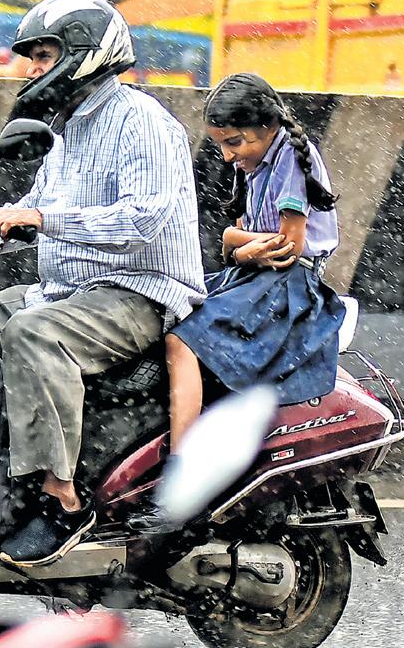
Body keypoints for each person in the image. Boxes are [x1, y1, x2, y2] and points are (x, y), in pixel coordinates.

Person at [0, 0, 205, 567]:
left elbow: (144, 220)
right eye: (31, 56)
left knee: (34, 334)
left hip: (137, 290)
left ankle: (61, 500)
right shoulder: (66, 130)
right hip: (64, 291)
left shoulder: (142, 123)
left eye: (44, 53)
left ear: (85, 50)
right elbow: (40, 203)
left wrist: (40, 218)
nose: (34, 68)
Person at [128, 72, 345, 532]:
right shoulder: (258, 163)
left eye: (235, 142)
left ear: (267, 128)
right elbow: (238, 238)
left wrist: (237, 244)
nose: (228, 155)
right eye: (222, 145)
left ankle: (181, 480)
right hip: (254, 276)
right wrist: (238, 244)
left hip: (286, 288)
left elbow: (286, 244)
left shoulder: (288, 158)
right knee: (169, 304)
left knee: (181, 341)